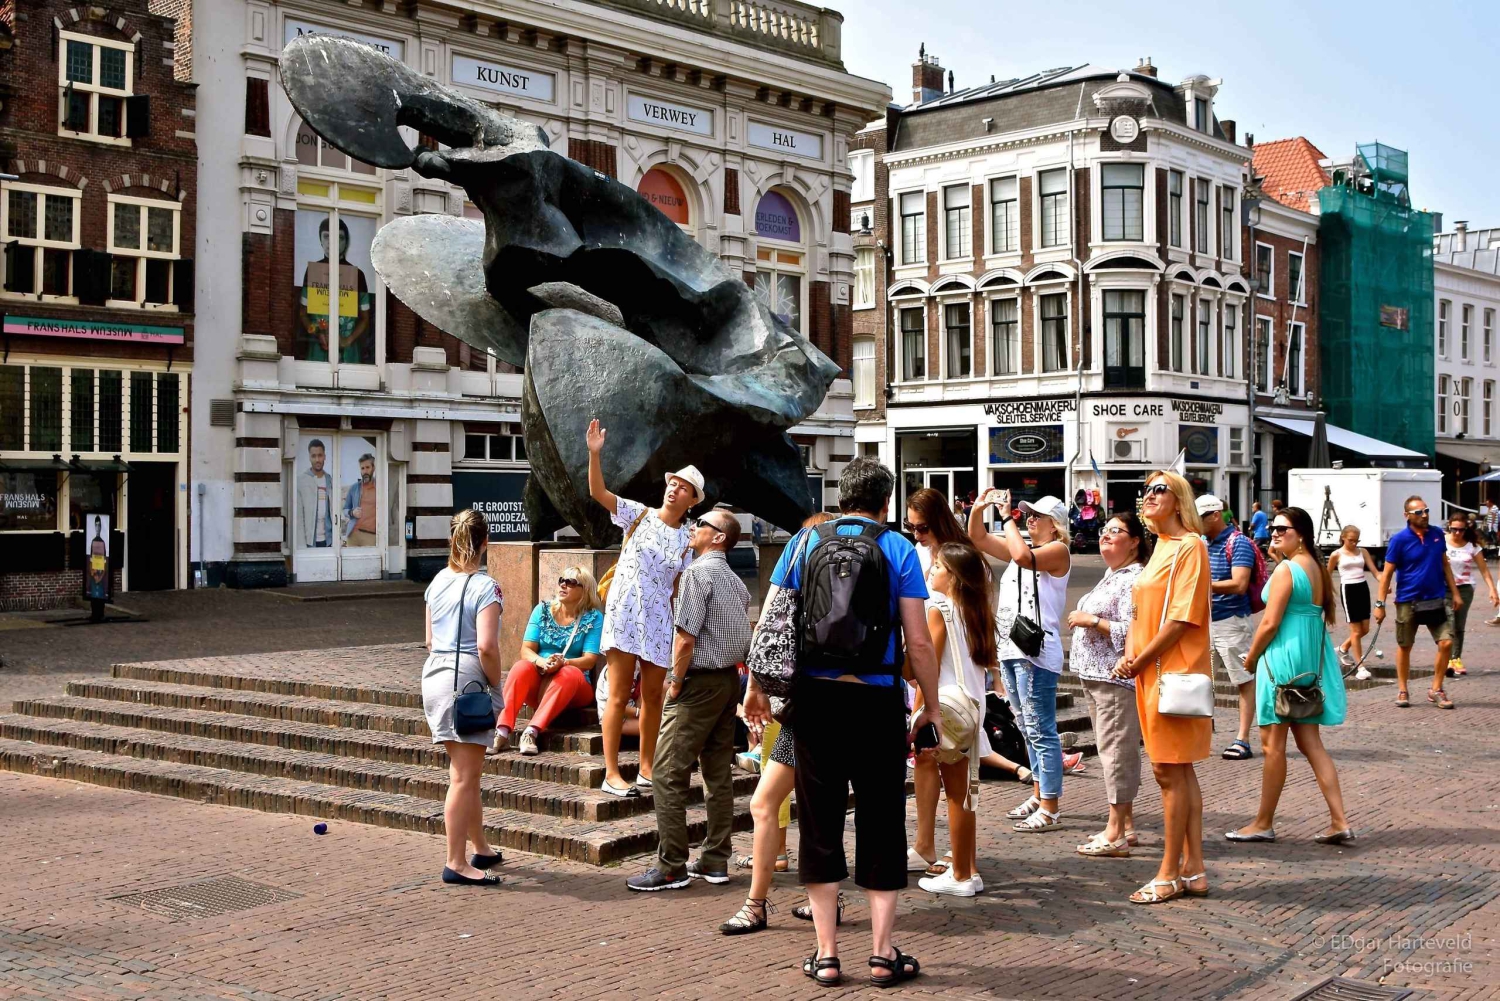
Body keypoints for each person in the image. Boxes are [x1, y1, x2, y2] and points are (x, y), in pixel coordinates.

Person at [744, 457, 939, 988]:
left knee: (819, 820)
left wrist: (758, 687)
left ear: (840, 494)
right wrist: (932, 705)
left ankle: (826, 954)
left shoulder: (804, 544)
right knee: (880, 819)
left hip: (816, 700)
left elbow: (772, 622)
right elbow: (918, 640)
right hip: (875, 699)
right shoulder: (898, 547)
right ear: (885, 502)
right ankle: (881, 953)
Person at [627, 510, 752, 892]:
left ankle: (671, 866)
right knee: (717, 773)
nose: (693, 528)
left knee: (666, 772)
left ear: (718, 538)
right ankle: (715, 859)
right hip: (729, 680)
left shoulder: (698, 573)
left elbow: (685, 636)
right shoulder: (735, 579)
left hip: (698, 682)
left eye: (702, 524)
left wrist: (675, 681)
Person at [1112, 470, 1211, 905]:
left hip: (1170, 671)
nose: (1149, 496)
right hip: (1151, 668)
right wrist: (1131, 654)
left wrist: (1141, 658)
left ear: (1179, 499)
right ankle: (1194, 868)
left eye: (1160, 489)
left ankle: (1170, 872)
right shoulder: (1161, 548)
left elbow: (1182, 617)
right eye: (1146, 489)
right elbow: (1144, 611)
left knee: (1169, 771)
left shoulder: (1189, 546)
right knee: (1177, 770)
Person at [1228, 506, 1353, 845]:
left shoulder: (1286, 569)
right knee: (1311, 743)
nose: (1275, 533)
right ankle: (1339, 819)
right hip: (1307, 659)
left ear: (1302, 533)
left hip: (1281, 658)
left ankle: (1263, 822)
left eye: (1283, 529)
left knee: (1272, 746)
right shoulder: (1313, 567)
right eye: (1273, 528)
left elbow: (1269, 622)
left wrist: (1251, 657)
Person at [586, 418, 697, 797]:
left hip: (659, 618)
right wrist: (594, 454)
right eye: (672, 484)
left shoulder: (687, 536)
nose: (674, 490)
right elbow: (598, 492)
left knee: (652, 695)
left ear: (692, 500)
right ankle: (611, 771)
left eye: (683, 489)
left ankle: (647, 767)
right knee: (617, 694)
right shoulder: (640, 514)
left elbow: (680, 586)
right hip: (625, 611)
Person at [969, 490, 1072, 832]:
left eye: (1036, 516)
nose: (1028, 519)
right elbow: (978, 538)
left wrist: (1006, 518)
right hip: (1012, 648)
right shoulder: (1021, 551)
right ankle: (1040, 794)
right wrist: (980, 508)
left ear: (1055, 526)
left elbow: (1024, 557)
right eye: (1026, 515)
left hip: (1037, 653)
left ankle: (1051, 804)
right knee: (1026, 728)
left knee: (1041, 729)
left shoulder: (1057, 551)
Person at [421, 509, 505, 886]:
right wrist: (496, 684)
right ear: (485, 543)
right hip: (467, 678)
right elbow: (487, 646)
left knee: (466, 773)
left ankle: (481, 847)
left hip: (434, 675)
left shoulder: (437, 580)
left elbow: (429, 640)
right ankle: (456, 862)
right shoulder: (486, 587)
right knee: (464, 777)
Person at [904, 487, 981, 873]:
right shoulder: (927, 560)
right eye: (911, 528)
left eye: (921, 528)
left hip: (946, 684)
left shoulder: (958, 562)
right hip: (953, 681)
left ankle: (963, 866)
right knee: (936, 766)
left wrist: (920, 697)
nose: (917, 536)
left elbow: (928, 658)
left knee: (956, 781)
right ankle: (936, 848)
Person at [1065, 512, 1151, 858]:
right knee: (1110, 749)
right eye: (1103, 531)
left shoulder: (1136, 579)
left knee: (1116, 752)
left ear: (1134, 542)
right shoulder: (1111, 575)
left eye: (1115, 531)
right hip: (1095, 676)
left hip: (1114, 678)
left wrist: (1092, 620)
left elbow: (1137, 632)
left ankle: (1114, 830)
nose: (1105, 537)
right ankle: (1126, 825)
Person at [915, 543, 998, 897]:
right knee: (966, 793)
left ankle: (961, 874)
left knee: (956, 794)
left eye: (939, 567)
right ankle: (969, 868)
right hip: (971, 708)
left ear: (955, 578)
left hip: (946, 709)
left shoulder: (940, 609)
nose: (932, 570)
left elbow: (926, 666)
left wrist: (918, 713)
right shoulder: (974, 611)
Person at [493, 567, 604, 756]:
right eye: (562, 580)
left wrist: (564, 663)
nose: (563, 585)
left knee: (569, 673)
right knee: (521, 667)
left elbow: (590, 660)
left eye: (571, 582)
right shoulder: (542, 610)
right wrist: (542, 662)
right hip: (541, 679)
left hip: (575, 687)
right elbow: (526, 650)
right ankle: (502, 731)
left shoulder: (593, 618)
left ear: (584, 590)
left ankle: (531, 732)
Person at [1376, 496, 1462, 710]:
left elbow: (1445, 565)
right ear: (1407, 515)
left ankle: (1436, 688)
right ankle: (1403, 688)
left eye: (1426, 511)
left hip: (1436, 598)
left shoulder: (1436, 535)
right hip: (1408, 601)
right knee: (1405, 646)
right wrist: (1380, 604)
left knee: (1446, 643)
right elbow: (1386, 575)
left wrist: (1455, 593)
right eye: (1418, 512)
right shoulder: (1399, 540)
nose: (1424, 515)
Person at [1198, 495, 1258, 763]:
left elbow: (1239, 584)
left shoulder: (1239, 542)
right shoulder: (1201, 543)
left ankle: (1243, 738)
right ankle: (1202, 733)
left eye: (1199, 517)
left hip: (1231, 620)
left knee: (1243, 681)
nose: (1194, 522)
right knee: (1203, 680)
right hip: (1205, 620)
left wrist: (1201, 584)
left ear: (1214, 515)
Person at [296, 216, 373, 364]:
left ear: (346, 242)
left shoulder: (357, 275)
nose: (332, 242)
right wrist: (315, 332)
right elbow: (302, 314)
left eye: (340, 237)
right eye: (326, 236)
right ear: (320, 239)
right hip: (318, 352)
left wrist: (348, 339)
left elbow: (365, 318)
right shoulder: (313, 272)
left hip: (349, 355)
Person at [1444, 513, 1497, 678]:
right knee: (1449, 622)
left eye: (1461, 530)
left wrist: (1492, 590)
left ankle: (1455, 658)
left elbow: (1484, 571)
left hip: (1465, 588)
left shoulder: (1472, 546)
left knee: (1459, 624)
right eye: (1454, 529)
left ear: (1466, 529)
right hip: (1444, 588)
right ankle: (1447, 658)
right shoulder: (1442, 542)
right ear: (1449, 527)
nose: (1457, 533)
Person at [1328, 526, 1378, 681]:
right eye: (1351, 540)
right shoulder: (1336, 554)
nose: (1354, 543)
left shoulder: (1363, 552)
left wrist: (1384, 583)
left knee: (1365, 628)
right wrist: (1328, 594)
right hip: (1348, 589)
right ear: (1343, 537)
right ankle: (1360, 667)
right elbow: (1327, 575)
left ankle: (1343, 648)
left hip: (1362, 587)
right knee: (1356, 630)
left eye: (1357, 540)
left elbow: (1376, 572)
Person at [296, 439, 334, 548]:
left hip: (328, 541)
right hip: (310, 542)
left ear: (324, 457)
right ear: (309, 457)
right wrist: (302, 546)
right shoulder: (301, 481)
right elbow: (299, 518)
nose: (317, 459)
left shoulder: (330, 480)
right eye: (314, 456)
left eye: (320, 455)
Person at [342, 452, 379, 547]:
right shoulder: (354, 488)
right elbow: (345, 509)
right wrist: (352, 512)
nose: (365, 471)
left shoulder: (380, 488)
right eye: (362, 468)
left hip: (371, 536)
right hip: (353, 534)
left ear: (373, 468)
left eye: (367, 467)